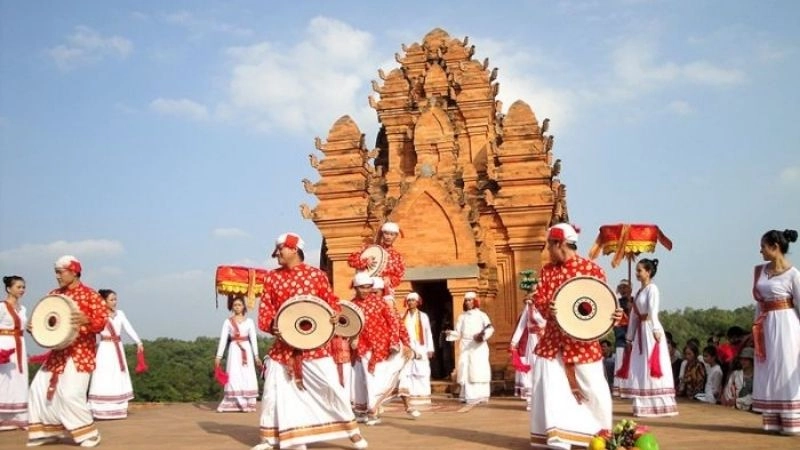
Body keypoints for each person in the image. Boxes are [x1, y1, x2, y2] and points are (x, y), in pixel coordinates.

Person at [254, 233, 367, 450]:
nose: (277, 254)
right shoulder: (271, 278)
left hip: (314, 345)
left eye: (281, 250)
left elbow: (331, 302)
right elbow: (266, 313)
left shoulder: (317, 276)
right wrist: (272, 326)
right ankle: (273, 439)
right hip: (283, 348)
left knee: (331, 387)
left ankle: (352, 431)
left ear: (294, 249)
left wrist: (334, 313)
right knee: (273, 392)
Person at [528, 223, 622, 449]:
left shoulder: (593, 270)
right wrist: (546, 307)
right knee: (551, 391)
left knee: (594, 390)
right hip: (552, 343)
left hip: (583, 344)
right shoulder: (547, 272)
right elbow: (539, 300)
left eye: (550, 245)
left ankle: (598, 436)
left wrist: (615, 314)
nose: (547, 250)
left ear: (559, 243)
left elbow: (603, 306)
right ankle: (557, 439)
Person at [27, 256, 107, 448]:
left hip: (81, 352)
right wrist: (35, 327)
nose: (57, 276)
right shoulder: (54, 295)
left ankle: (89, 434)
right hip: (58, 353)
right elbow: (47, 321)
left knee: (71, 393)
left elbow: (101, 322)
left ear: (74, 272)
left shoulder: (90, 295)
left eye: (60, 272)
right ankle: (47, 432)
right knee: (38, 388)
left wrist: (87, 320)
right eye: (55, 272)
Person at [752, 228, 800, 435]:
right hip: (765, 325)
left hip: (787, 325)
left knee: (785, 366)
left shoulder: (793, 275)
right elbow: (759, 302)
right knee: (768, 368)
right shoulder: (760, 272)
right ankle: (771, 419)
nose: (760, 250)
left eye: (763, 246)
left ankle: (791, 421)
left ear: (775, 247)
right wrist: (755, 325)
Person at [618, 259, 678, 417]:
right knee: (640, 366)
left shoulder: (653, 289)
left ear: (648, 272)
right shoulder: (638, 292)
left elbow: (653, 311)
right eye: (636, 270)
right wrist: (629, 338)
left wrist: (656, 329)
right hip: (640, 332)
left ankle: (659, 403)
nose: (637, 273)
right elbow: (633, 317)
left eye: (640, 270)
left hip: (650, 330)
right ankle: (643, 403)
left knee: (652, 364)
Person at [350, 274, 407, 425]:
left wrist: (394, 342)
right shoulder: (351, 305)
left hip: (382, 347)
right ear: (356, 288)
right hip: (361, 347)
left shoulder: (380, 303)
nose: (366, 291)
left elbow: (394, 322)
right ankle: (363, 410)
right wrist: (352, 338)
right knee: (360, 379)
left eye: (369, 287)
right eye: (362, 287)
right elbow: (347, 325)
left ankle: (373, 410)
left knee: (375, 378)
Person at [88, 289, 144, 420]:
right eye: (111, 300)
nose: (114, 302)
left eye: (115, 299)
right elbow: (93, 333)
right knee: (104, 375)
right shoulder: (99, 315)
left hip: (117, 348)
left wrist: (138, 342)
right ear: (103, 301)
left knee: (118, 375)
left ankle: (118, 409)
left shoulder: (120, 314)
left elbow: (128, 328)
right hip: (104, 349)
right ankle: (99, 409)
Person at [214, 296, 261, 413]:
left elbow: (253, 339)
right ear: (232, 307)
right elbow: (223, 339)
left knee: (247, 374)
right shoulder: (227, 322)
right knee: (234, 373)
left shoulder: (249, 322)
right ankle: (233, 402)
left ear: (243, 306)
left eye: (239, 305)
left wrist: (256, 356)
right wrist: (218, 356)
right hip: (234, 350)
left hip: (246, 349)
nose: (237, 307)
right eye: (235, 305)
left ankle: (247, 402)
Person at [447, 291, 493, 405]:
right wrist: (450, 333)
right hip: (466, 345)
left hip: (479, 346)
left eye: (470, 300)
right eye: (466, 300)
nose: (468, 302)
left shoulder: (482, 315)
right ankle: (468, 395)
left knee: (478, 369)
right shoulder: (462, 317)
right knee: (466, 369)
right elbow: (458, 333)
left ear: (475, 301)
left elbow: (490, 328)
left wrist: (482, 336)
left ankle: (481, 395)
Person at [348, 222, 405, 297]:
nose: (388, 237)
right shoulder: (369, 248)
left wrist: (390, 279)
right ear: (382, 234)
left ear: (396, 236)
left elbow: (400, 275)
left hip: (384, 292)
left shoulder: (397, 256)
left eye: (392, 234)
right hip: (365, 289)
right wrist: (365, 262)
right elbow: (351, 260)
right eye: (386, 234)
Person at [0, 275, 28, 431]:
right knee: (4, 379)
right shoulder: (2, 307)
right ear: (9, 288)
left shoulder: (23, 309)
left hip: (20, 346)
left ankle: (19, 417)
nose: (22, 290)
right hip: (4, 345)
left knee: (19, 378)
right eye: (19, 287)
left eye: (23, 287)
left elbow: (26, 327)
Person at [509, 293, 545, 410]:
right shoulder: (529, 307)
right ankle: (531, 400)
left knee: (546, 368)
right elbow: (521, 325)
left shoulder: (547, 305)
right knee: (532, 368)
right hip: (533, 341)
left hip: (546, 340)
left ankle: (545, 398)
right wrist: (514, 342)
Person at [398, 292, 434, 407]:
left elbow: (428, 332)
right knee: (407, 371)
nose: (410, 302)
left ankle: (423, 394)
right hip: (407, 347)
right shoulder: (403, 316)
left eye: (413, 300)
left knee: (421, 370)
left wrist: (430, 348)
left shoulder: (423, 316)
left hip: (420, 346)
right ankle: (411, 394)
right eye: (409, 300)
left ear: (417, 302)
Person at [611, 279, 632, 396]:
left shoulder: (634, 301)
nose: (624, 290)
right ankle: (621, 390)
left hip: (633, 338)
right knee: (620, 363)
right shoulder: (616, 302)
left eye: (626, 287)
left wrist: (632, 308)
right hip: (621, 337)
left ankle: (630, 389)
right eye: (621, 287)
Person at [721, 347, 755, 411]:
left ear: (751, 360)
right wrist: (730, 398)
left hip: (752, 410)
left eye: (746, 359)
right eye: (741, 359)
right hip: (735, 410)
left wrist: (738, 400)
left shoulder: (757, 377)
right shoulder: (735, 374)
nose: (743, 362)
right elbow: (728, 390)